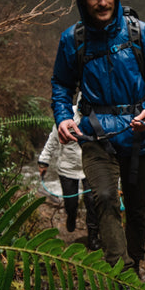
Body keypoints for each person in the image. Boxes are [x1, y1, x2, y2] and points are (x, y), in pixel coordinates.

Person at [50, 0, 145, 286]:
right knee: (103, 198)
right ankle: (120, 277)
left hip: (139, 136)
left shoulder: (140, 34)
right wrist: (63, 116)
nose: (102, 2)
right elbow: (61, 86)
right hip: (95, 135)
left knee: (137, 211)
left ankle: (133, 266)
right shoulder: (72, 40)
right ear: (83, 0)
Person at [36, 105, 101, 250]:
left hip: (91, 166)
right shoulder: (66, 113)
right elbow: (53, 139)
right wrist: (43, 161)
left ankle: (93, 237)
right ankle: (71, 215)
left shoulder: (101, 113)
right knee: (71, 202)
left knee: (92, 202)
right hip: (67, 167)